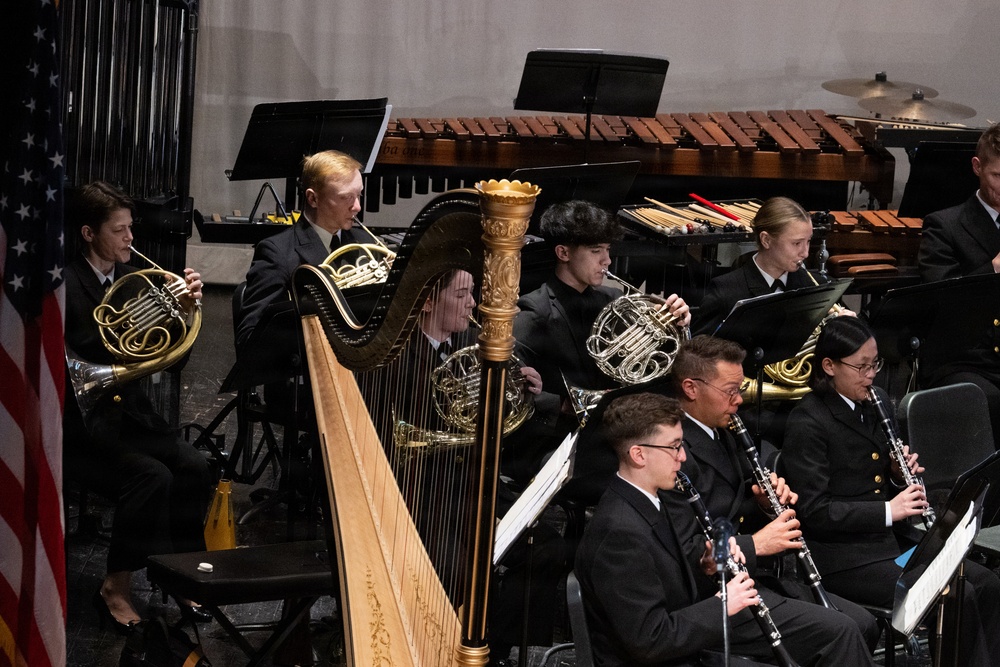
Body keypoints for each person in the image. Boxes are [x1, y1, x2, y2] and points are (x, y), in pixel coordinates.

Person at [575, 391, 873, 666]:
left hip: (688, 642)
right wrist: (724, 604)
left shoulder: (650, 501)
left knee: (846, 630)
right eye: (674, 447)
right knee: (839, 634)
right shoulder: (619, 533)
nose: (682, 457)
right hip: (668, 657)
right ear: (639, 454)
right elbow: (649, 640)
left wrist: (709, 563)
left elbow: (673, 577)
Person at [362, 269, 562, 664]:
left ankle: (493, 650)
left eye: (473, 293)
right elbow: (384, 431)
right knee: (459, 571)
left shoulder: (478, 343)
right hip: (421, 490)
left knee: (547, 549)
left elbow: (507, 425)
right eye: (461, 295)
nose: (473, 303)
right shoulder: (393, 356)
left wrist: (527, 395)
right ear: (427, 302)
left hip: (474, 481)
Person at [782, 316, 1000, 664]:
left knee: (987, 583)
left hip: (893, 542)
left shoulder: (878, 401)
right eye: (862, 367)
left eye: (875, 364)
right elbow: (814, 510)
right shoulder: (808, 421)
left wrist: (899, 475)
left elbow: (878, 476)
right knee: (956, 595)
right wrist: (889, 510)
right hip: (844, 558)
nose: (871, 375)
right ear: (829, 366)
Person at [665, 335, 879, 650]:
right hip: (714, 594)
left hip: (756, 576)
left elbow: (741, 508)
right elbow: (686, 549)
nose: (739, 400)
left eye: (740, 389)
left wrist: (767, 504)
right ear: (691, 388)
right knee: (842, 631)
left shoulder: (727, 431)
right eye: (730, 391)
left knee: (864, 624)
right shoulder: (672, 451)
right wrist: (757, 544)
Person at [63, 181, 212, 632]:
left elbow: (172, 359)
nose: (131, 237)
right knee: (151, 476)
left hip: (132, 418)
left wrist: (183, 313)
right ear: (89, 233)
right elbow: (91, 345)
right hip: (85, 424)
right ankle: (116, 586)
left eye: (131, 227)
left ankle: (181, 575)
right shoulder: (66, 284)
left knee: (195, 465)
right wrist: (153, 316)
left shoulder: (134, 283)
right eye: (119, 229)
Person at [510, 200, 690, 489]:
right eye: (596, 251)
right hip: (555, 442)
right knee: (642, 471)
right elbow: (510, 388)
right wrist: (562, 405)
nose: (607, 260)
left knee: (678, 456)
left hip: (609, 432)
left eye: (607, 249)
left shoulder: (613, 301)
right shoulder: (534, 312)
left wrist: (676, 324)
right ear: (563, 253)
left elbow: (657, 362)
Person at [236, 148, 379, 349]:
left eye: (359, 195)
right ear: (313, 199)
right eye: (346, 197)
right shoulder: (277, 253)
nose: (357, 207)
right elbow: (249, 339)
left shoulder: (367, 244)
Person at [918, 122, 1000, 448]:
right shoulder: (944, 225)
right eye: (998, 176)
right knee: (988, 400)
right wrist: (993, 268)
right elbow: (943, 301)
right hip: (964, 360)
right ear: (977, 167)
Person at [694, 197, 821, 336]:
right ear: (766, 240)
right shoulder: (724, 292)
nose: (805, 253)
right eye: (797, 243)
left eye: (808, 241)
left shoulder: (811, 285)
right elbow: (698, 346)